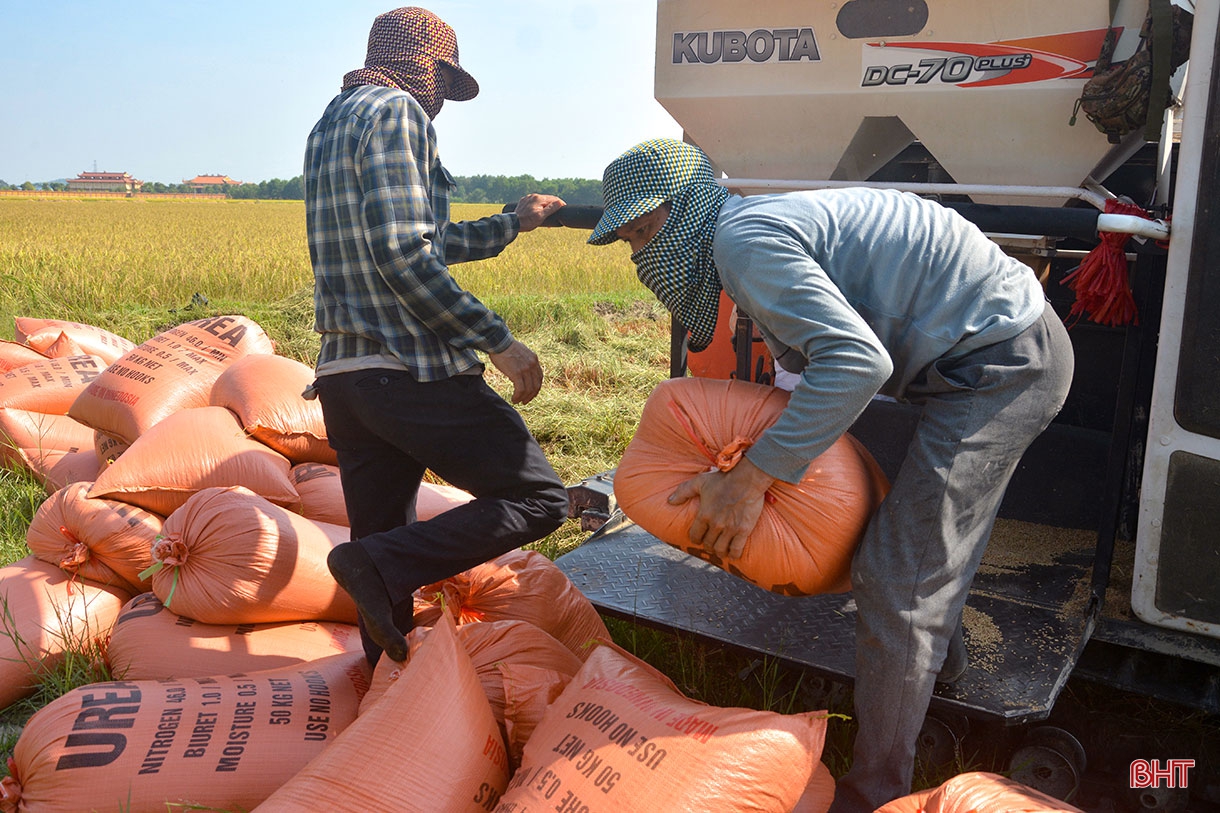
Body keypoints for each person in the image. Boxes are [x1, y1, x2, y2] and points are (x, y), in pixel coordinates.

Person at [587, 138, 1075, 811]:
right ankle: (935, 667)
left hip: (1000, 367)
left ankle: (873, 789)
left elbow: (855, 364)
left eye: (647, 230)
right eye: (631, 242)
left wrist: (752, 478)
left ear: (689, 204)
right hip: (954, 362)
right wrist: (756, 459)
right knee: (904, 533)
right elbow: (806, 370)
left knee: (895, 572)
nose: (644, 256)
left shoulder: (740, 244)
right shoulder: (746, 237)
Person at [304, 6, 570, 666]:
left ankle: (386, 693)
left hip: (347, 378)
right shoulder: (397, 115)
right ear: (423, 66)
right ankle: (376, 561)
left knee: (380, 549)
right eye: (442, 86)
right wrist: (496, 339)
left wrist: (513, 221)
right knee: (539, 496)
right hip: (409, 367)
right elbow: (403, 255)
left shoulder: (327, 124)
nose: (442, 104)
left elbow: (424, 240)